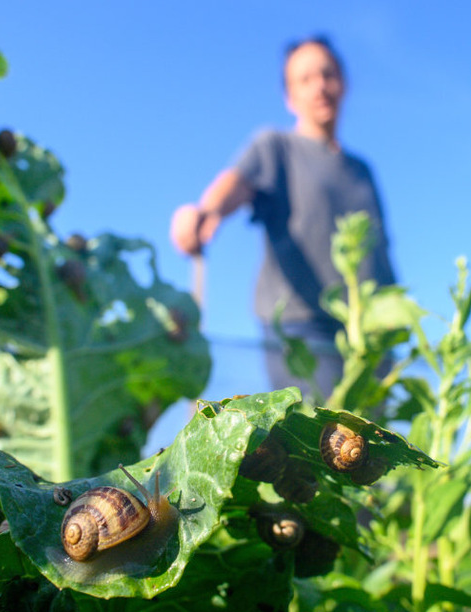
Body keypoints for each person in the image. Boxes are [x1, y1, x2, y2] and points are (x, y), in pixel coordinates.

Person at [169, 35, 396, 397]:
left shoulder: (361, 170)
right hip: (302, 327)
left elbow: (381, 247)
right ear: (290, 97)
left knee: (376, 445)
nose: (320, 86)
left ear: (344, 83)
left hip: (370, 330)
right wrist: (204, 211)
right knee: (322, 438)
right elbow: (236, 183)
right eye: (305, 80)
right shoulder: (276, 146)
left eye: (328, 74)